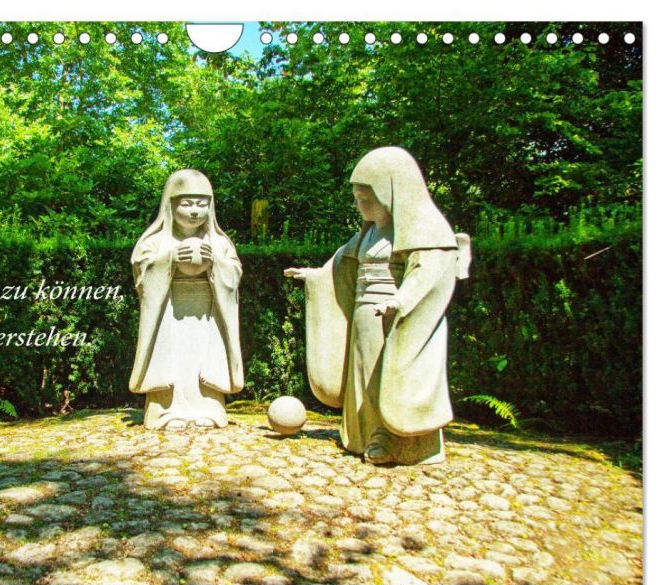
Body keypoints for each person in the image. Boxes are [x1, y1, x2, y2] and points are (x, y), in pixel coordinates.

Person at [285, 147, 470, 464]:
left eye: (364, 198)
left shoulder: (425, 232)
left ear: (391, 193)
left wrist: (400, 300)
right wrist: (315, 276)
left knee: (387, 379)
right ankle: (362, 435)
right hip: (365, 316)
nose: (359, 205)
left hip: (395, 321)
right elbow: (341, 264)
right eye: (357, 197)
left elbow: (426, 274)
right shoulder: (369, 232)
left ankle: (396, 440)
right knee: (363, 377)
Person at [129, 169, 244, 430]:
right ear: (170, 205)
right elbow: (141, 272)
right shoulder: (155, 241)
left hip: (208, 313)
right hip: (169, 313)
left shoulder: (219, 242)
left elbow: (234, 273)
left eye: (202, 204)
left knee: (205, 358)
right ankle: (165, 412)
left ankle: (209, 408)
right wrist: (169, 258)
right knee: (171, 359)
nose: (194, 211)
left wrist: (216, 262)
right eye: (187, 203)